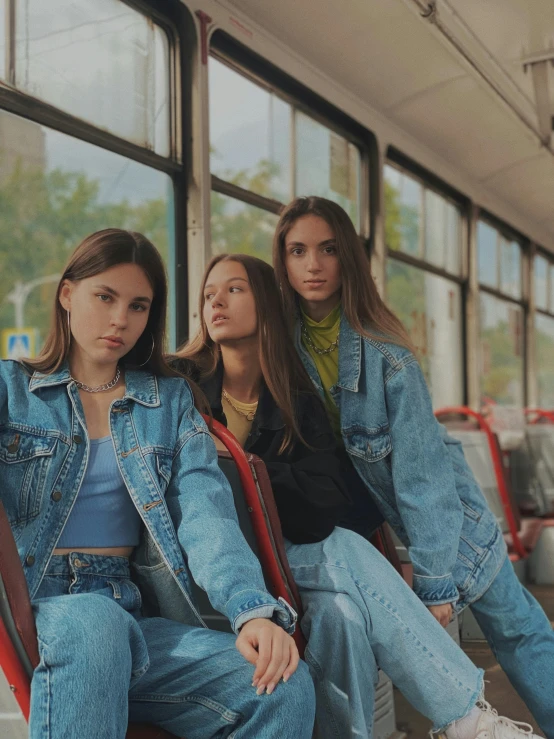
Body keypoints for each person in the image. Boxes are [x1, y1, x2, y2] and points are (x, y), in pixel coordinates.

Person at [172, 251, 541, 739]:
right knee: (346, 561)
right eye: (207, 294)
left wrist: (252, 473)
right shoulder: (180, 385)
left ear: (266, 303)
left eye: (234, 289)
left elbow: (324, 505)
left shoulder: (294, 397)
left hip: (282, 556)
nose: (215, 301)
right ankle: (467, 718)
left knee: (341, 611)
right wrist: (266, 479)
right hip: (206, 563)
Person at [0, 229, 315, 739]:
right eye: (105, 297)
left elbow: (205, 515)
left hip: (129, 611)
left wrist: (252, 612)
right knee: (93, 625)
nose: (120, 319)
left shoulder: (168, 403)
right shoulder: (11, 390)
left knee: (282, 683)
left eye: (138, 306)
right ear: (67, 294)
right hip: (37, 607)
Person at [272, 195, 554, 738]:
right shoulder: (279, 343)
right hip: (360, 514)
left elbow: (422, 477)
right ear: (282, 261)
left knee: (517, 629)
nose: (312, 265)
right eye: (297, 251)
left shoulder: (388, 354)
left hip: (446, 512)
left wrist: (433, 579)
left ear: (347, 258)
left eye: (328, 250)